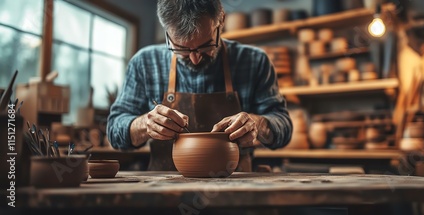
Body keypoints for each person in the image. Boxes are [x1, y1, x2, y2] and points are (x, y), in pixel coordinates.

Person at [107, 0, 292, 172]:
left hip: (235, 189)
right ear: (167, 32)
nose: (195, 59)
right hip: (164, 192)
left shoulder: (254, 61)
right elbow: (114, 132)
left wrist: (257, 125)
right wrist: (143, 124)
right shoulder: (144, 63)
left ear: (221, 20)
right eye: (182, 49)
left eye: (205, 46)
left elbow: (284, 129)